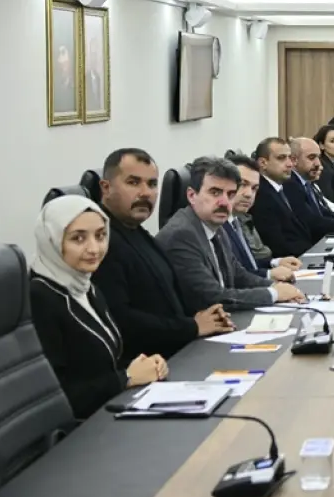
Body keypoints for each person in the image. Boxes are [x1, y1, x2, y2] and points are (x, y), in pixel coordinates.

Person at [29, 195, 168, 419]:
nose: (94, 248)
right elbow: (58, 396)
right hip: (81, 429)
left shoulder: (85, 285)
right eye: (78, 238)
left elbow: (105, 361)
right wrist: (127, 378)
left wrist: (147, 364)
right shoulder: (40, 298)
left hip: (108, 410)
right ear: (52, 240)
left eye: (101, 236)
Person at [92, 148, 233, 360]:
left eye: (152, 184)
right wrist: (192, 326)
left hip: (176, 353)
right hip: (148, 365)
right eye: (133, 182)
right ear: (106, 188)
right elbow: (121, 320)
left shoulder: (136, 231)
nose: (145, 193)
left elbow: (165, 298)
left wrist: (203, 317)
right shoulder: (101, 243)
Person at [157, 156, 306, 312]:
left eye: (230, 194)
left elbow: (238, 275)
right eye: (215, 192)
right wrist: (273, 294)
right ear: (192, 195)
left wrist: (277, 287)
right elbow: (211, 297)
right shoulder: (181, 234)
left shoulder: (215, 225)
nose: (224, 202)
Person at [225, 153, 301, 277]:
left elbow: (248, 264)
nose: (249, 194)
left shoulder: (236, 221)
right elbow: (235, 276)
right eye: (243, 184)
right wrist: (269, 274)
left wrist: (275, 262)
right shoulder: (219, 227)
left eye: (254, 188)